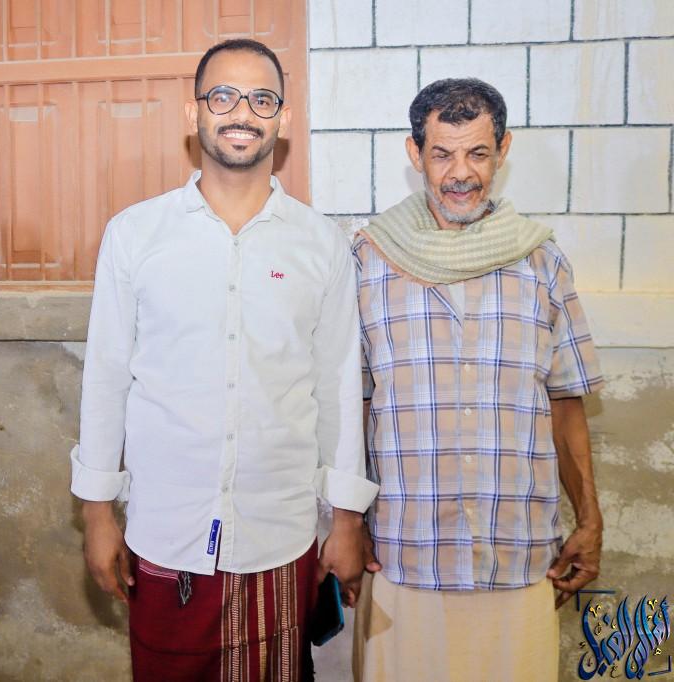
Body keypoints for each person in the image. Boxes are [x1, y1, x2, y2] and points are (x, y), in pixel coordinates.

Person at [70, 39, 378, 680]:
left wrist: (347, 518)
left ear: (283, 119)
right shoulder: (136, 234)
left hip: (280, 533)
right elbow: (106, 381)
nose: (243, 112)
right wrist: (96, 512)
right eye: (224, 97)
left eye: (262, 99)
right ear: (194, 113)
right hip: (167, 533)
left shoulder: (320, 243)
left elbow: (336, 385)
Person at [352, 78, 604, 682]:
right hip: (403, 554)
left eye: (478, 153)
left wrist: (590, 519)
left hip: (518, 554)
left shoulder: (542, 261)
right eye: (442, 154)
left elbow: (565, 403)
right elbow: (351, 405)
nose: (460, 173)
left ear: (503, 151)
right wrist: (346, 522)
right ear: (415, 154)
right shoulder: (367, 259)